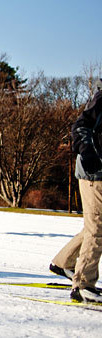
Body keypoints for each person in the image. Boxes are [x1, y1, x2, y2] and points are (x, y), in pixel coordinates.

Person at [50, 80, 102, 302]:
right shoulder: (101, 98)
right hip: (95, 172)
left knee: (95, 226)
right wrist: (88, 152)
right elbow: (80, 126)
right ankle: (83, 284)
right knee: (97, 228)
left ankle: (63, 263)